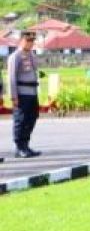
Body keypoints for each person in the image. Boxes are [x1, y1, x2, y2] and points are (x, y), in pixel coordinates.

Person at [8, 30, 42, 158]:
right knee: (21, 120)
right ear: (21, 40)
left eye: (32, 41)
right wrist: (14, 96)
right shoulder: (15, 56)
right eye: (28, 40)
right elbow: (11, 77)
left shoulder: (32, 55)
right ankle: (19, 147)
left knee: (32, 118)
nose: (31, 43)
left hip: (32, 92)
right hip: (21, 93)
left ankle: (26, 144)